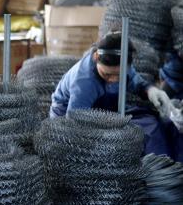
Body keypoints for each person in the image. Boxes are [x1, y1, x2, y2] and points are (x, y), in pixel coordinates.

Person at [50, 31, 181, 161]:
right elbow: (75, 124)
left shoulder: (122, 64)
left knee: (156, 124)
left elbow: (135, 82)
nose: (113, 79)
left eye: (119, 75)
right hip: (72, 118)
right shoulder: (84, 83)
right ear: (96, 57)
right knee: (117, 142)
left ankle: (167, 169)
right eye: (107, 74)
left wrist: (150, 90)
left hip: (106, 109)